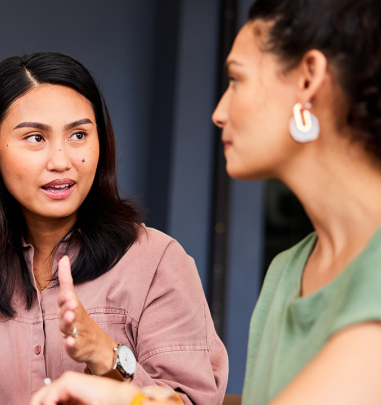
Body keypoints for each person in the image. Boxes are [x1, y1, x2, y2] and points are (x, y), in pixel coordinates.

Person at [31, 0, 381, 403]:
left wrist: (125, 396)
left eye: (236, 80)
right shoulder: (288, 273)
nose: (218, 112)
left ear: (308, 79)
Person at [0, 52, 228, 405]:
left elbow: (188, 401)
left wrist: (106, 356)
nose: (61, 161)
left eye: (78, 135)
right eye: (35, 138)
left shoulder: (157, 263)